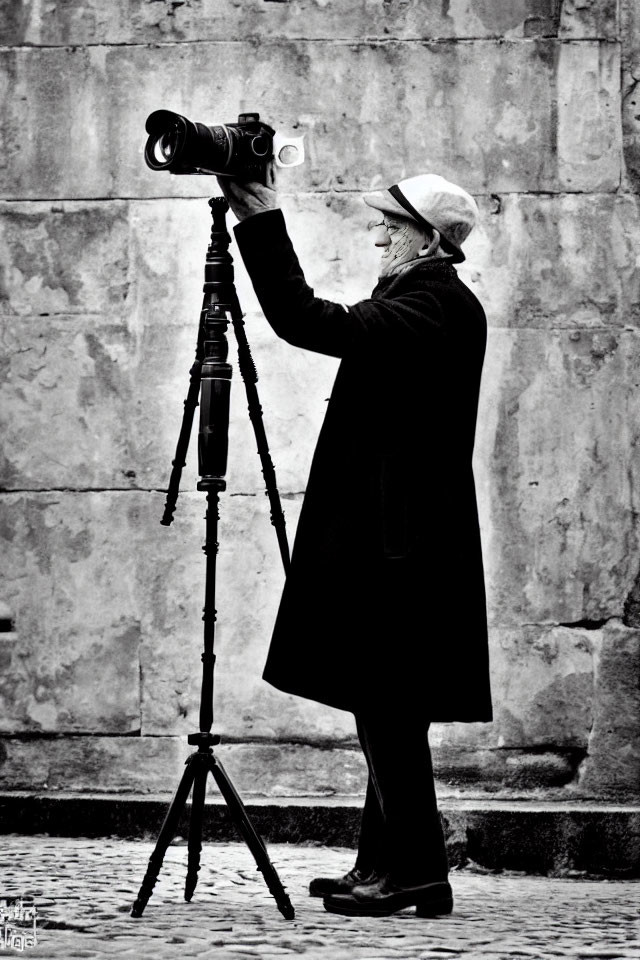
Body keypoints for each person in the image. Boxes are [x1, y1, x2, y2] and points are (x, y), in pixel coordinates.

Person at [217, 166, 492, 918]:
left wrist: (261, 220)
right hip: (401, 539)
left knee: (388, 705)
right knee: (388, 704)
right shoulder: (422, 299)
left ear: (429, 241)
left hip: (403, 547)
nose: (377, 233)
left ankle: (419, 875)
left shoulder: (435, 305)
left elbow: (306, 320)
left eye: (392, 226)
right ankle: (384, 867)